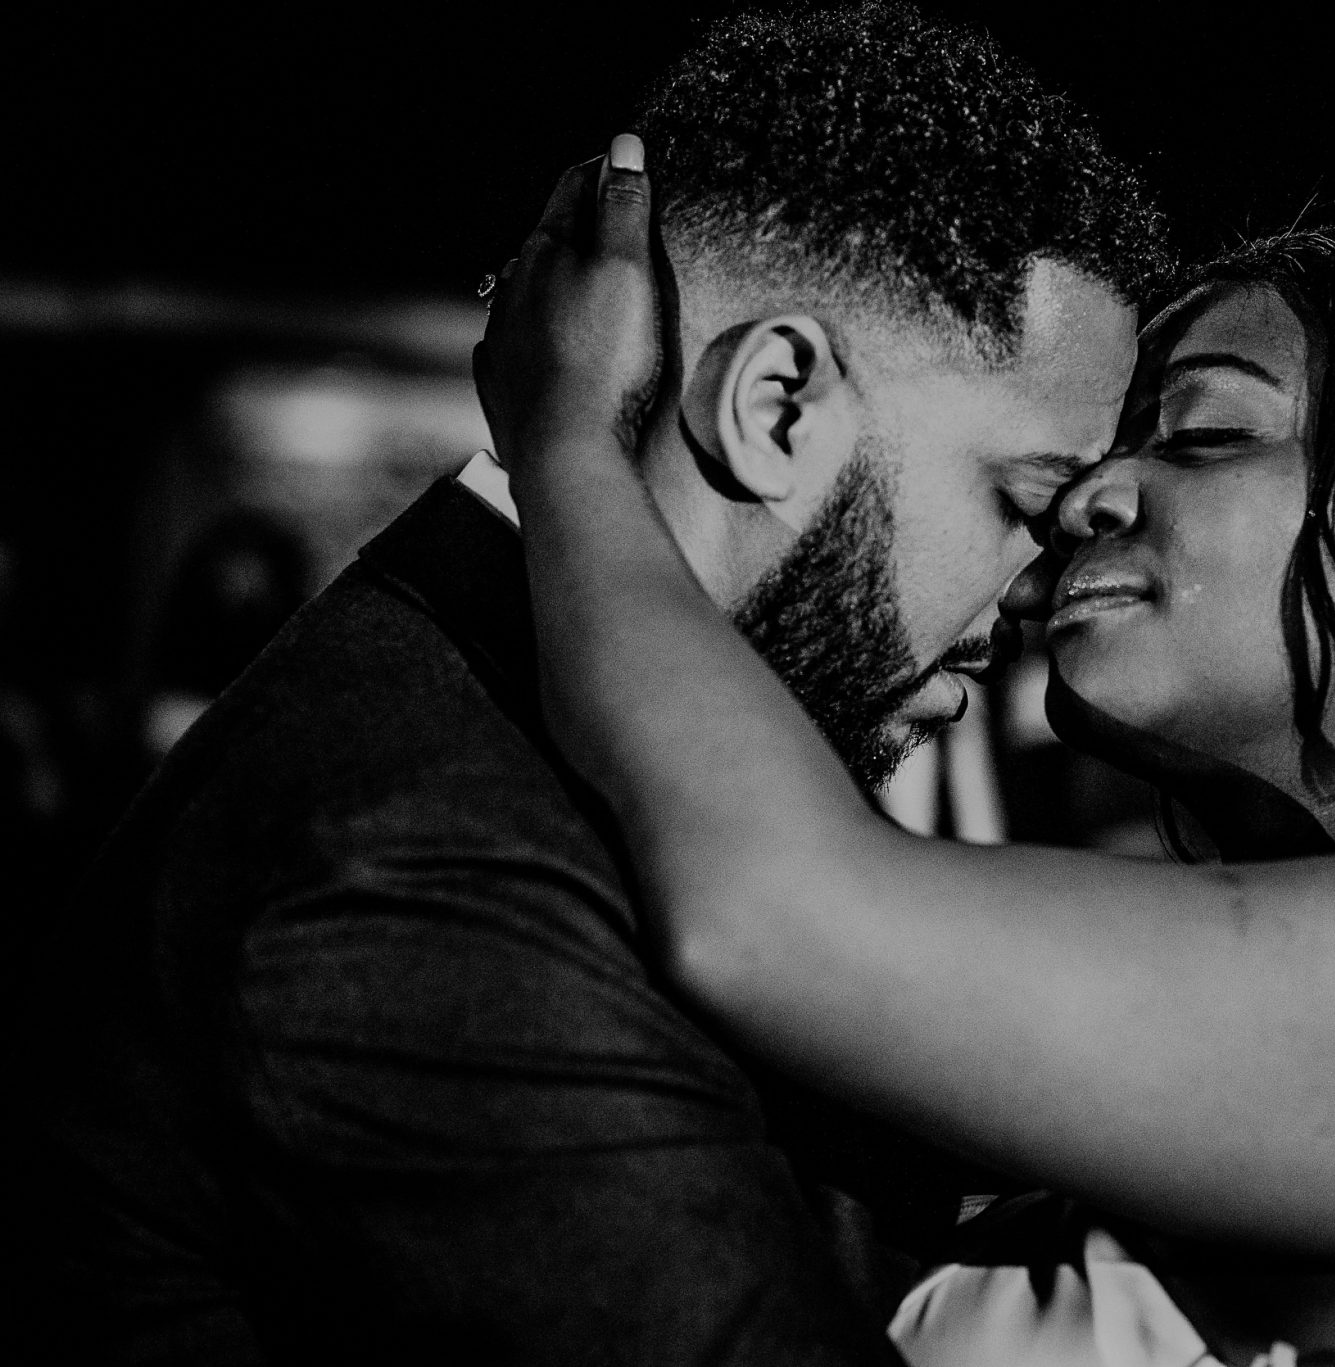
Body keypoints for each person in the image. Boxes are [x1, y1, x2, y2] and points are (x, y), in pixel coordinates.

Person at [478, 148, 1335, 1363]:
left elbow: (767, 916)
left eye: (1208, 435)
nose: (1088, 500)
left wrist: (570, 443)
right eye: (1111, 451)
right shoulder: (1224, 991)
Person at [9, 6, 1168, 1364]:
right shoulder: (419, 872)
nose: (1038, 586)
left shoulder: (510, 735)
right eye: (1023, 499)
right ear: (775, 405)